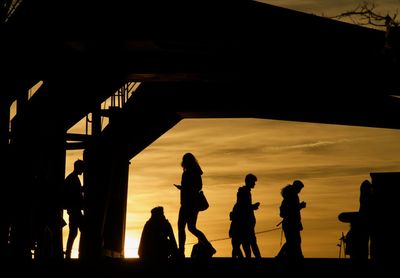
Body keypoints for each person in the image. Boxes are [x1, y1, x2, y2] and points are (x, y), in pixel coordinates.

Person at [173, 152, 216, 258]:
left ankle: (182, 251)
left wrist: (183, 188)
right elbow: (198, 186)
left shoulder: (188, 173)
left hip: (187, 204)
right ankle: (208, 246)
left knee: (182, 226)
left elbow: (194, 188)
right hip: (193, 204)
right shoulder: (196, 172)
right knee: (191, 227)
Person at [229, 173, 261, 259]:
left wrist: (252, 207)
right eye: (253, 182)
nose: (254, 184)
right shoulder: (244, 192)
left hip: (246, 224)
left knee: (246, 244)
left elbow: (244, 206)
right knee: (248, 244)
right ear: (248, 182)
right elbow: (244, 206)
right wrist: (253, 206)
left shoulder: (244, 192)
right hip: (245, 224)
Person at [277, 180, 306, 261]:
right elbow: (292, 210)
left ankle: (294, 256)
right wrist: (300, 206)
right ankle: (282, 256)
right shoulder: (292, 197)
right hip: (291, 224)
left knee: (293, 241)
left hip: (291, 223)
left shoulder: (289, 197)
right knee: (294, 241)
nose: (300, 190)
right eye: (300, 188)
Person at [63, 159, 85, 259]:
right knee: (80, 231)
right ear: (78, 167)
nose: (83, 171)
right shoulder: (72, 179)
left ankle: (69, 253)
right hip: (74, 210)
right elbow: (73, 194)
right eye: (82, 168)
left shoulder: (71, 178)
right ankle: (78, 253)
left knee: (74, 232)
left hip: (74, 210)